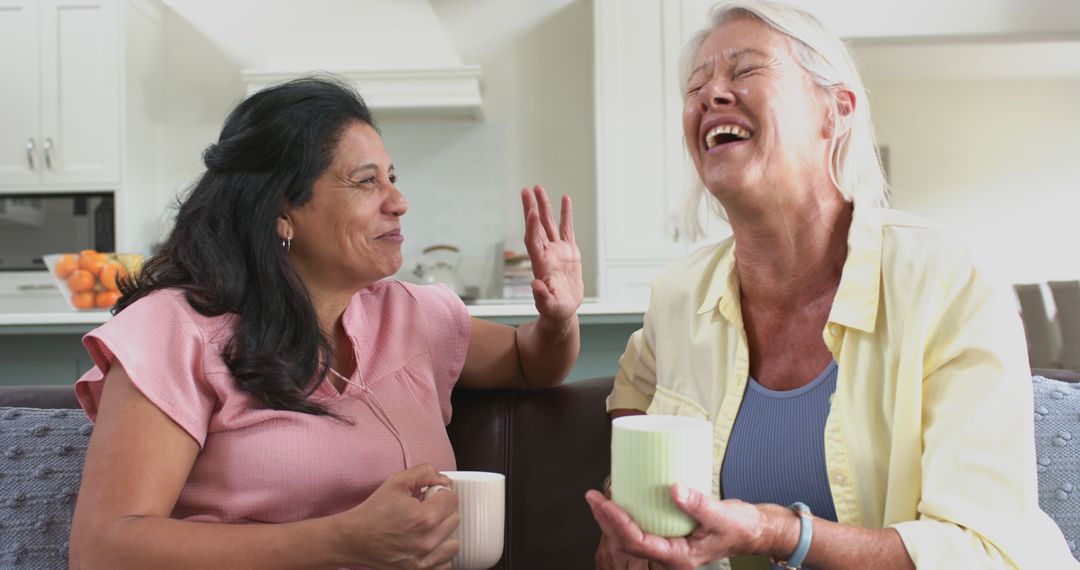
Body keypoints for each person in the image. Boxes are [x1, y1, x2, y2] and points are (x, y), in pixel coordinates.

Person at [585, 2, 1077, 569]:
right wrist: (632, 504)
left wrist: (780, 533)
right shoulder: (679, 294)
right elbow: (634, 392)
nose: (709, 96)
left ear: (835, 111)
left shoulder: (949, 279)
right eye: (696, 86)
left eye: (744, 71)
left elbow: (984, 552)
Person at [68, 76, 583, 569]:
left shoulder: (410, 314)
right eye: (366, 182)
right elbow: (104, 551)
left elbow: (526, 361)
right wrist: (342, 540)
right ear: (282, 212)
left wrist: (557, 320)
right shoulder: (172, 330)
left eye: (393, 178)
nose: (399, 202)